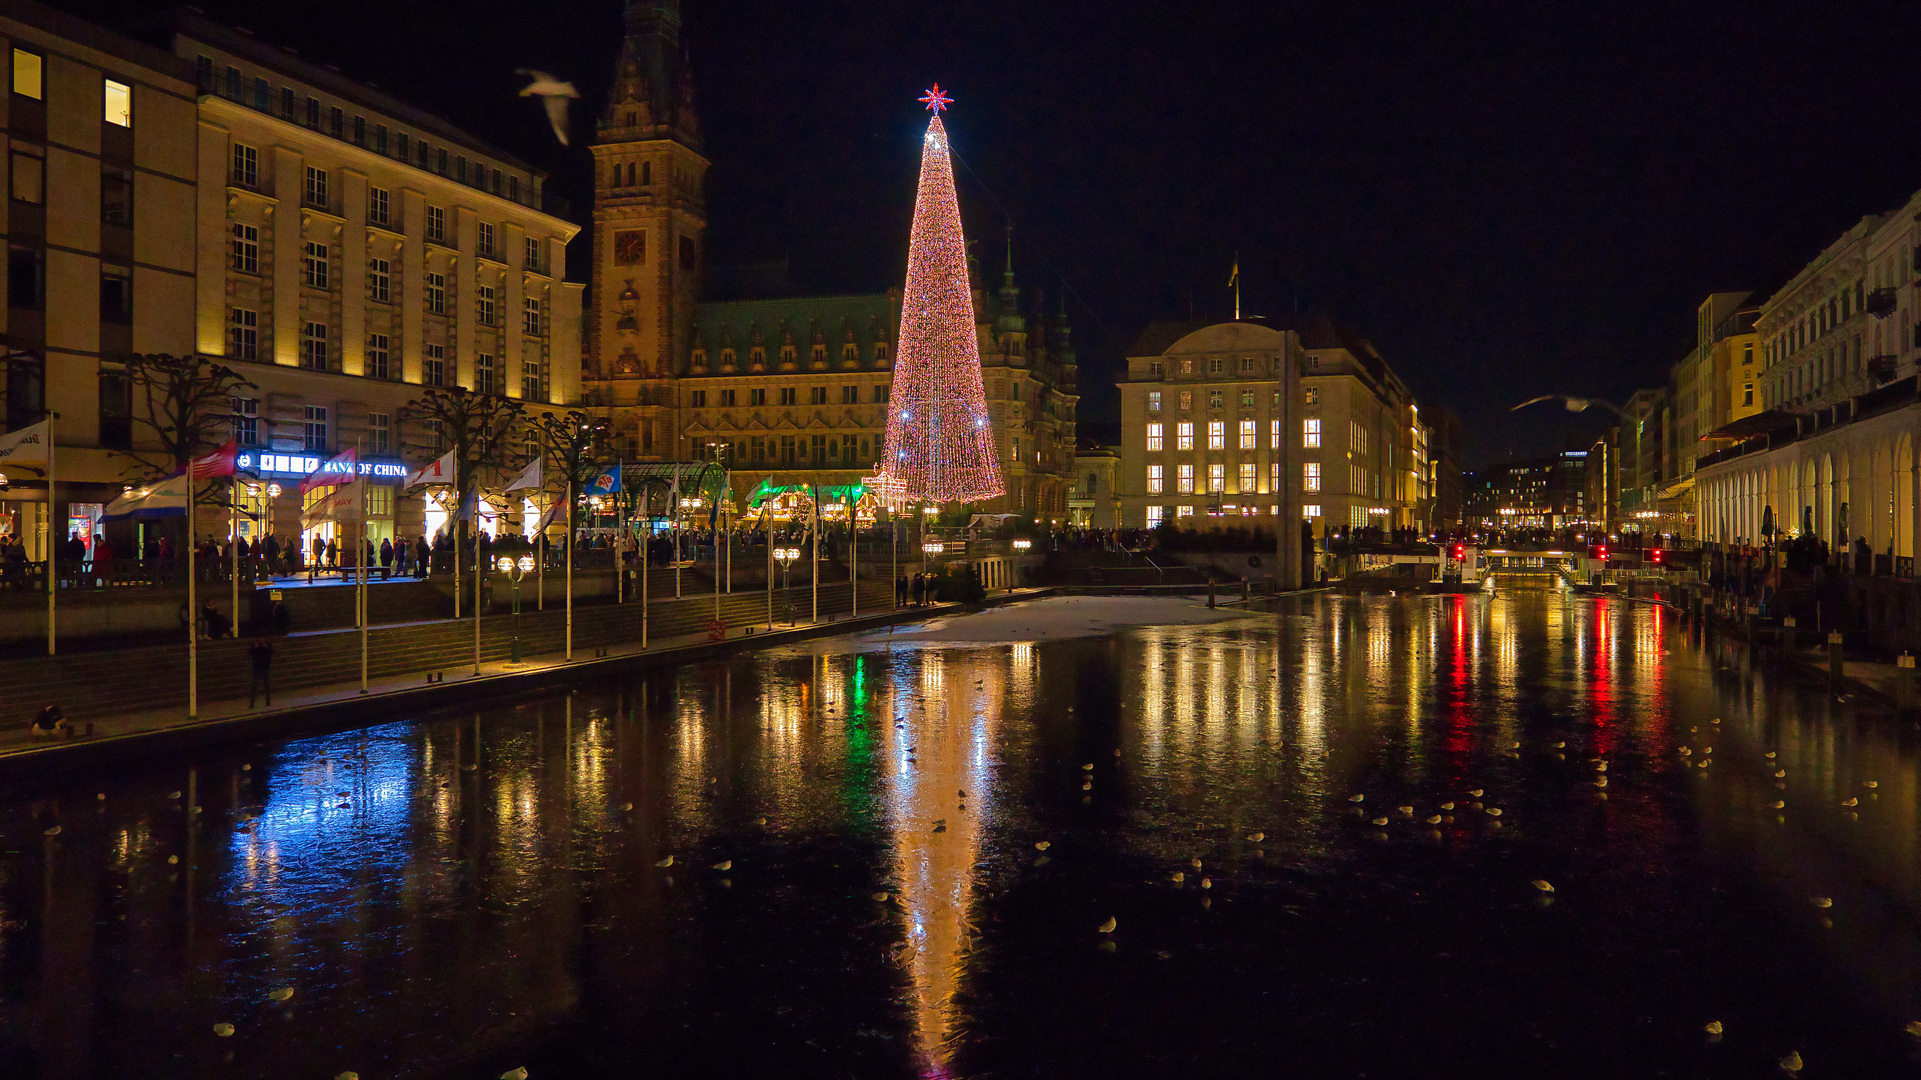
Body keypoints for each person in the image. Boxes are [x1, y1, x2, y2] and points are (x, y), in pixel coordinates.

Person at [247, 636, 274, 707]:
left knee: (267, 686)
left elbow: (272, 652)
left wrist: (267, 648)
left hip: (265, 668)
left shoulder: (268, 645)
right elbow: (249, 653)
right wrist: (255, 648)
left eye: (263, 638)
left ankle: (268, 701)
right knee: (254, 686)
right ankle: (252, 703)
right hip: (257, 669)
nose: (262, 640)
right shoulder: (255, 646)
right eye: (260, 639)